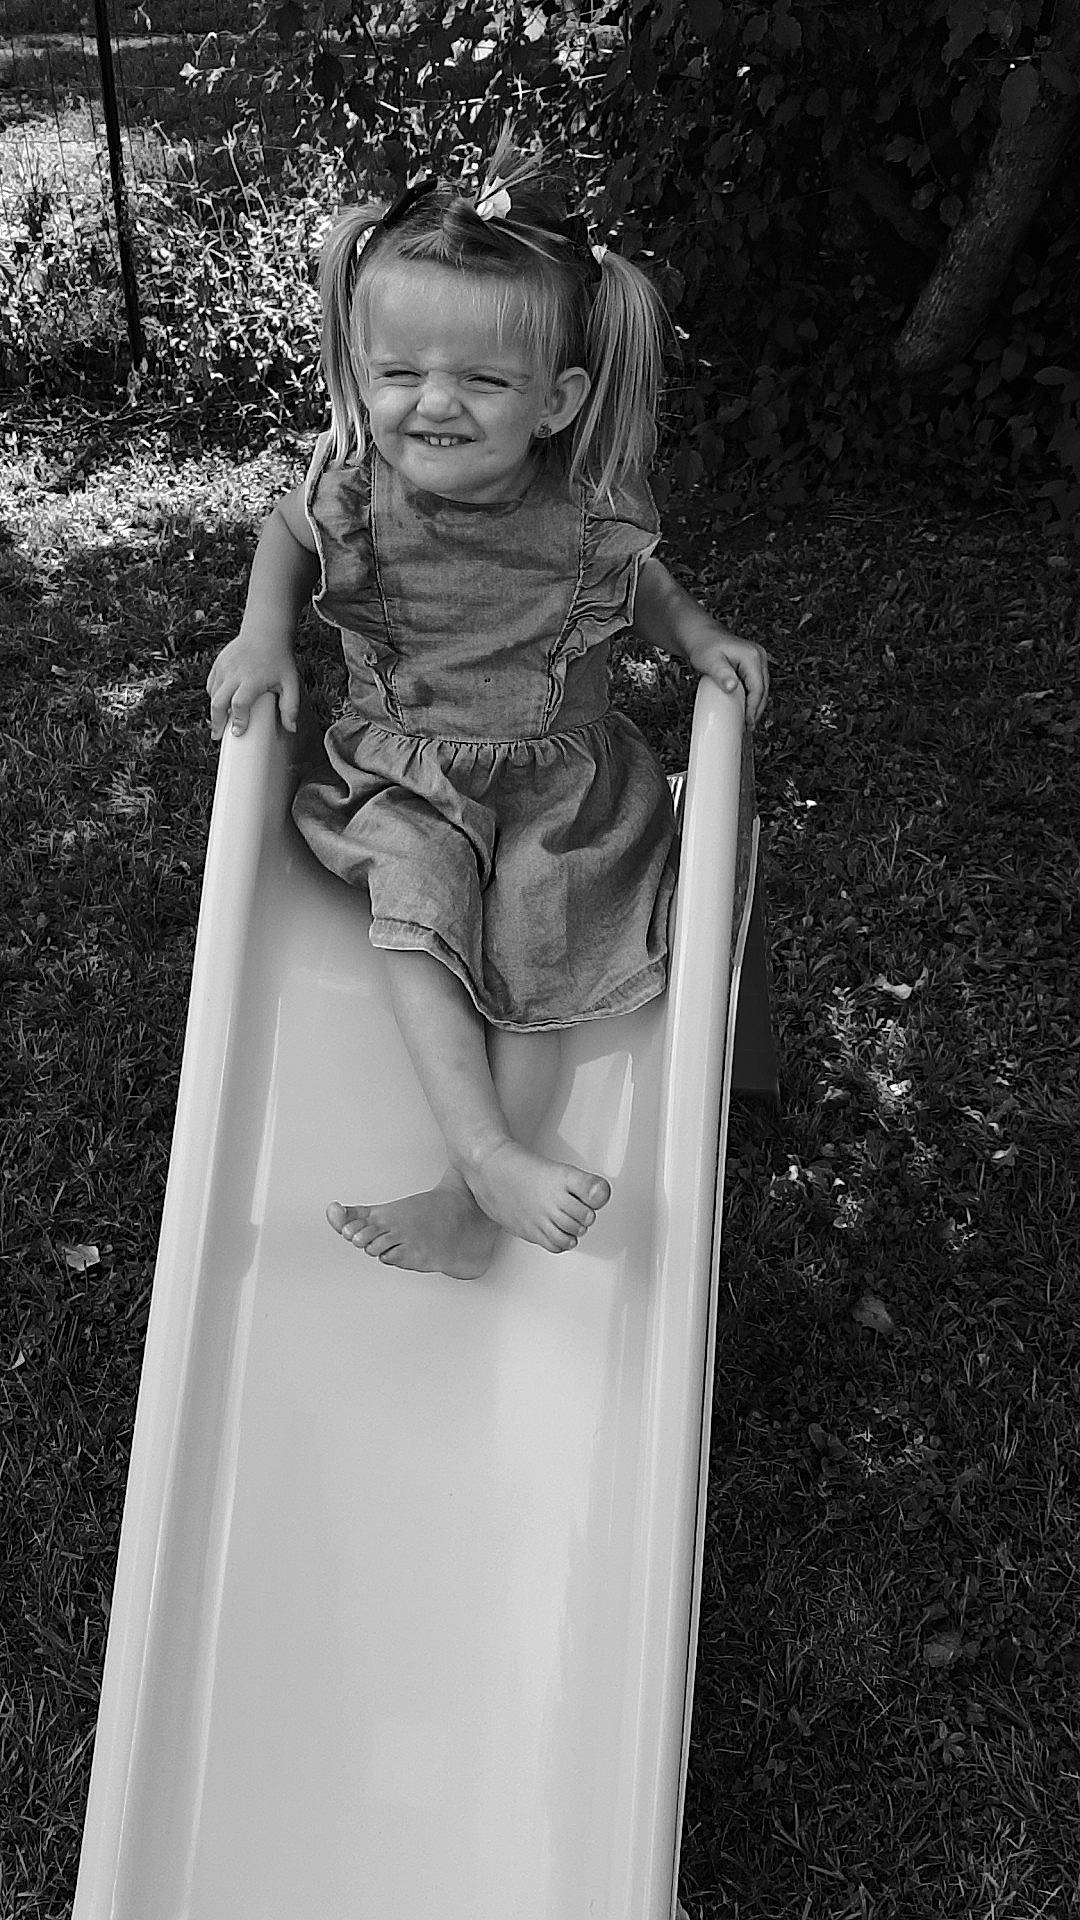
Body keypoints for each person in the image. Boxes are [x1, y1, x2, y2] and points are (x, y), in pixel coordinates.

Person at [207, 132, 768, 1282]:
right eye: (399, 372)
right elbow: (284, 534)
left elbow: (641, 586)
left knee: (540, 938)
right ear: (360, 368)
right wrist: (263, 635)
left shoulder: (581, 514)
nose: (435, 404)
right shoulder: (356, 497)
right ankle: (486, 1156)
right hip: (404, 778)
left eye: (483, 381)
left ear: (556, 401)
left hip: (563, 789)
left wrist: (700, 637)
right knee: (415, 898)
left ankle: (470, 1201)